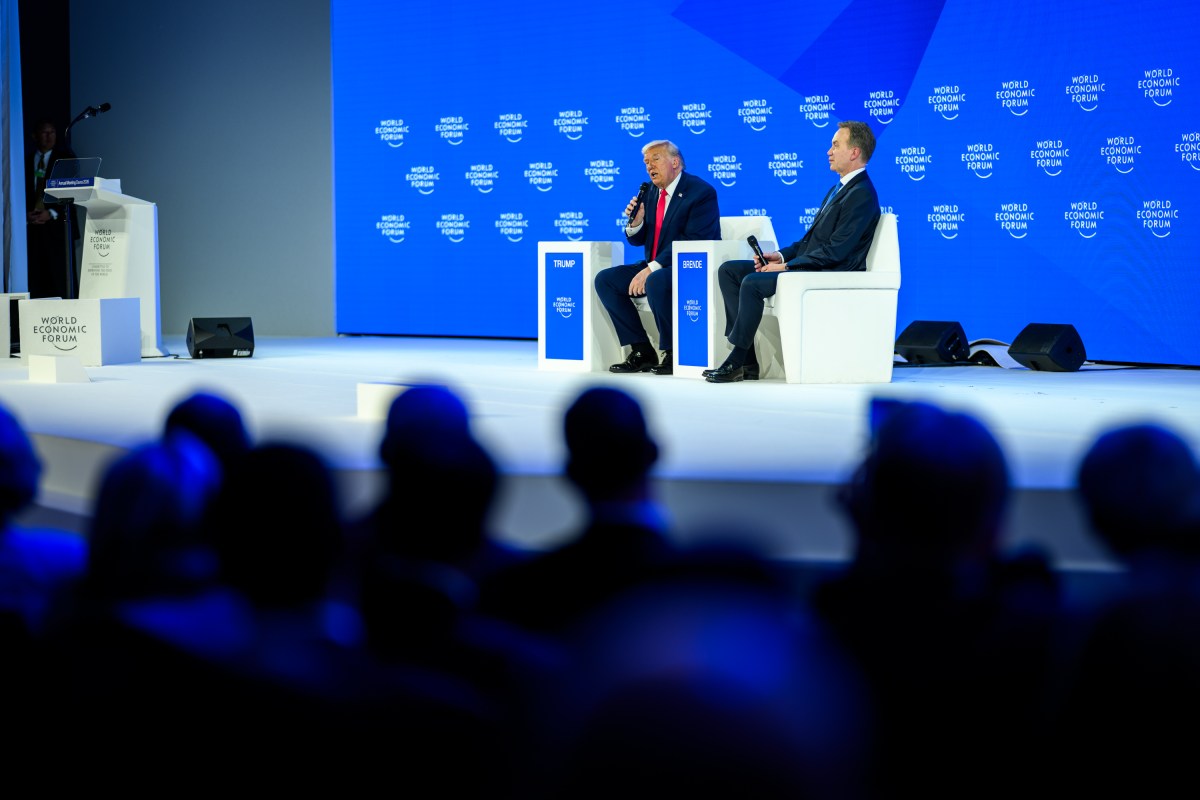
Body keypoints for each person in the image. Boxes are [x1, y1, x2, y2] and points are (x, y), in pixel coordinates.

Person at [705, 120, 880, 383]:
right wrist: (782, 256)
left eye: (835, 145)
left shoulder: (862, 194)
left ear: (854, 152)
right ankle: (747, 360)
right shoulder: (839, 189)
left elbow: (836, 252)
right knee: (729, 271)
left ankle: (736, 359)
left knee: (752, 282)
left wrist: (787, 268)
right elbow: (810, 241)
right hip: (814, 264)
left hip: (831, 271)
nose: (828, 151)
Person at [595, 140, 721, 376]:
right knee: (606, 280)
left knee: (656, 280)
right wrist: (636, 222)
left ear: (675, 162)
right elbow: (639, 239)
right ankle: (642, 350)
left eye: (655, 159)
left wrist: (652, 268)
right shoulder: (652, 192)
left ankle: (673, 352)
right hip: (657, 264)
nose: (649, 166)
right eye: (645, 162)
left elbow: (692, 240)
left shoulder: (701, 192)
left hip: (691, 266)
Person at [25, 118, 79, 299]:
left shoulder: (66, 159)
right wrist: (24, 215)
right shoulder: (23, 161)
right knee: (35, 280)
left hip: (58, 228)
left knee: (60, 279)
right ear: (34, 136)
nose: (49, 137)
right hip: (31, 230)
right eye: (44, 132)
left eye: (52, 132)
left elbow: (73, 194)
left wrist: (52, 212)